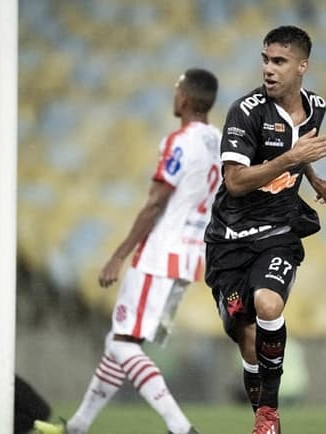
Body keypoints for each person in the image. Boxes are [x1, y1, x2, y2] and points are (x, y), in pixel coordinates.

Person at [34, 68, 221, 434]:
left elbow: (155, 203)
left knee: (122, 344)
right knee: (122, 340)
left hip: (158, 255)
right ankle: (78, 426)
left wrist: (118, 255)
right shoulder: (218, 140)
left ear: (184, 98)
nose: (174, 95)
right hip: (188, 257)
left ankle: (180, 427)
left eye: (176, 89)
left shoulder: (179, 142)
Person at [204, 25, 326, 434]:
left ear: (302, 66)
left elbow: (299, 151)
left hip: (279, 230)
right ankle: (266, 418)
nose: (269, 69)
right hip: (230, 239)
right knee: (243, 333)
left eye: (279, 61)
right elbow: (234, 182)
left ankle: (268, 413)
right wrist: (291, 158)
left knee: (269, 304)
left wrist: (317, 181)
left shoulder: (316, 107)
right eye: (265, 59)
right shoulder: (245, 112)